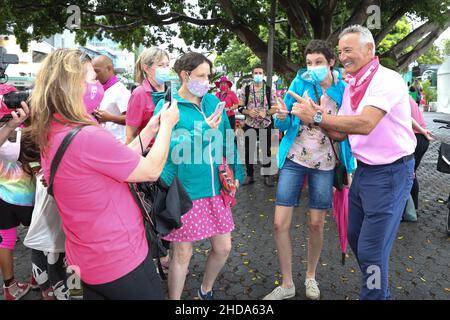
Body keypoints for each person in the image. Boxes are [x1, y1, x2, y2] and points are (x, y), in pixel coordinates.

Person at [30, 49, 179, 300]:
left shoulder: (54, 130)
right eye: (90, 80)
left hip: (79, 263)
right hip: (118, 261)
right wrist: (167, 127)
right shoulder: (87, 136)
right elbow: (151, 171)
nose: (96, 86)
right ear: (70, 86)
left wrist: (152, 127)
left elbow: (119, 160)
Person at [291, 25, 416, 300]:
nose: (343, 56)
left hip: (392, 173)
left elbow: (365, 123)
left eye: (349, 50)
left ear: (369, 50)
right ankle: (380, 292)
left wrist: (319, 118)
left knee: (371, 250)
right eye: (340, 51)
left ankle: (373, 296)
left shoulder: (387, 79)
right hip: (364, 173)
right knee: (358, 241)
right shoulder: (352, 87)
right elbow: (340, 132)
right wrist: (314, 118)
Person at [263, 40, 355, 300]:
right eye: (309, 63)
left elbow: (346, 131)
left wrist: (349, 166)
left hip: (325, 164)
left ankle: (311, 277)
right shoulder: (300, 83)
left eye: (318, 63)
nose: (312, 68)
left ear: (331, 63)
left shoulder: (344, 90)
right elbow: (285, 121)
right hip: (294, 159)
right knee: (280, 223)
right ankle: (288, 283)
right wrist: (281, 116)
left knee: (316, 224)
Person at [154, 52, 244, 300]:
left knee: (223, 248)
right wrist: (204, 129)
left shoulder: (213, 102)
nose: (207, 81)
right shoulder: (169, 106)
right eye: (202, 76)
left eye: (209, 76)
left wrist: (236, 171)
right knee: (182, 254)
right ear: (185, 75)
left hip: (216, 189)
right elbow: (171, 147)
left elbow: (227, 139)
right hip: (185, 192)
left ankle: (206, 289)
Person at [0, 87, 36, 300]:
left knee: (5, 239)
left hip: (3, 195)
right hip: (29, 194)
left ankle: (10, 287)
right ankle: (38, 277)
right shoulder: (27, 130)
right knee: (38, 237)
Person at [237, 65, 277, 187]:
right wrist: (249, 112)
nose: (258, 74)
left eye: (260, 72)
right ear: (252, 74)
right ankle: (249, 175)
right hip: (250, 124)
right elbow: (240, 107)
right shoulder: (246, 89)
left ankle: (267, 176)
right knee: (249, 151)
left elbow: (275, 108)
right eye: (256, 72)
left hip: (266, 123)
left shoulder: (270, 89)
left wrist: (266, 112)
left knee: (266, 151)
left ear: (263, 74)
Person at [126, 47, 170, 144]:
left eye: (167, 65)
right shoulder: (139, 94)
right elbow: (130, 136)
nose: (166, 69)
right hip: (149, 153)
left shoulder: (172, 91)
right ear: (147, 68)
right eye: (161, 65)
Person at [92, 55, 131, 143]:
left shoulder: (120, 90)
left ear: (109, 69)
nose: (94, 75)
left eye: (97, 71)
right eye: (92, 71)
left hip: (118, 142)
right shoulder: (100, 88)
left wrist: (110, 118)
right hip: (103, 142)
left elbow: (130, 118)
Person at [409, 96, 433, 210]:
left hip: (416, 137)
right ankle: (412, 209)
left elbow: (406, 118)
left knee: (409, 174)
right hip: (421, 137)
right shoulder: (405, 95)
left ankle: (411, 211)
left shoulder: (396, 96)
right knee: (411, 174)